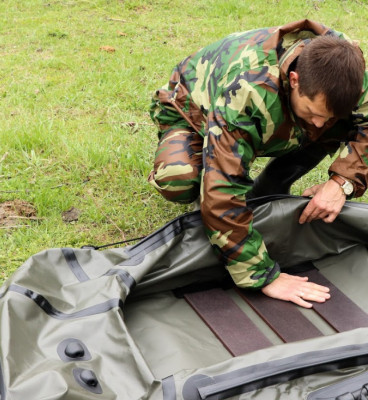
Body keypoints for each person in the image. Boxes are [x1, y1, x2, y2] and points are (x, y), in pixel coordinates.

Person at [148, 19, 368, 308]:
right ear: (294, 80)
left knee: (335, 125)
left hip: (269, 110)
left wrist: (342, 184)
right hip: (192, 111)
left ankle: (270, 186)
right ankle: (193, 166)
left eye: (328, 118)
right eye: (314, 112)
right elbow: (222, 192)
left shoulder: (352, 74)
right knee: (180, 179)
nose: (319, 124)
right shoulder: (248, 90)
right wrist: (264, 276)